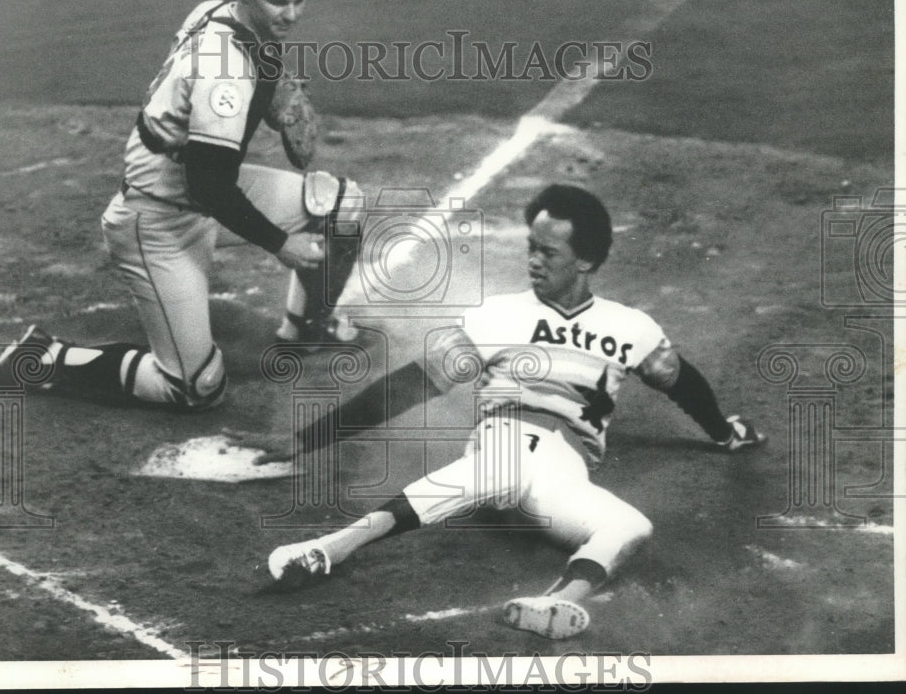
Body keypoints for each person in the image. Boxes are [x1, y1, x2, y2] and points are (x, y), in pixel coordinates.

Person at [265, 184, 766, 639]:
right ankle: (326, 550)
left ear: (586, 261)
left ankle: (557, 606)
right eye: (532, 247)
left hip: (563, 473)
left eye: (548, 251)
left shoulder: (629, 327)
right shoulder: (498, 314)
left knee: (631, 525)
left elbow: (683, 382)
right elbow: (414, 384)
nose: (534, 260)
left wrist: (724, 432)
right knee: (485, 471)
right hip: (504, 443)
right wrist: (314, 435)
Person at [0, 0, 363, 410]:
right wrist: (281, 244)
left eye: (300, 2)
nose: (290, 16)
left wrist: (278, 91)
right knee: (193, 388)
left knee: (340, 203)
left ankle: (309, 330)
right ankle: (42, 357)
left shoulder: (215, 10)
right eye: (278, 2)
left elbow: (227, 118)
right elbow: (208, 185)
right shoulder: (224, 74)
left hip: (191, 181)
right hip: (159, 218)